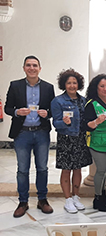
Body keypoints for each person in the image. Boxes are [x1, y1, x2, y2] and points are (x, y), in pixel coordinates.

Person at [5, 55, 55, 218]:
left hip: (41, 132)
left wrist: (47, 113)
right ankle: (23, 201)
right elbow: (7, 108)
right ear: (24, 68)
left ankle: (42, 200)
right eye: (28, 65)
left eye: (35, 65)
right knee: (22, 170)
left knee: (42, 168)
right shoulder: (15, 85)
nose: (32, 68)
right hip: (22, 133)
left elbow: (53, 110)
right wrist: (16, 112)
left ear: (39, 68)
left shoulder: (48, 87)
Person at [51, 69, 92, 213]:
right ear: (64, 84)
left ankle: (76, 196)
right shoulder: (58, 101)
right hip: (66, 139)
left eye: (74, 83)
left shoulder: (83, 100)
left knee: (78, 169)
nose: (72, 85)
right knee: (66, 169)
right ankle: (67, 199)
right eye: (69, 83)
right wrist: (65, 122)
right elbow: (55, 123)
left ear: (78, 84)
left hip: (80, 139)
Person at [83, 74, 106, 212]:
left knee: (103, 171)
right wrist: (97, 121)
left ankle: (103, 195)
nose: (105, 89)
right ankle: (97, 199)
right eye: (102, 86)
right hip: (97, 142)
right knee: (101, 170)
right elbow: (86, 125)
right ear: (96, 88)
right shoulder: (91, 104)